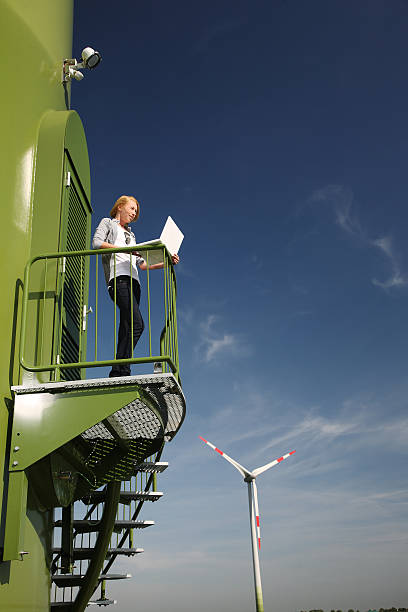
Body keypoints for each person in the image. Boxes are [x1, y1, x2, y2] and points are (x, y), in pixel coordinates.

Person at [92, 195, 179, 377]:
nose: (134, 213)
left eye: (136, 211)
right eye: (132, 209)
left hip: (134, 283)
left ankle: (120, 371)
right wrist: (125, 250)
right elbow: (97, 243)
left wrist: (167, 261)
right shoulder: (108, 223)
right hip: (118, 279)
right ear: (120, 207)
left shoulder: (132, 235)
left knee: (127, 326)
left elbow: (143, 264)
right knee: (138, 324)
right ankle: (121, 368)